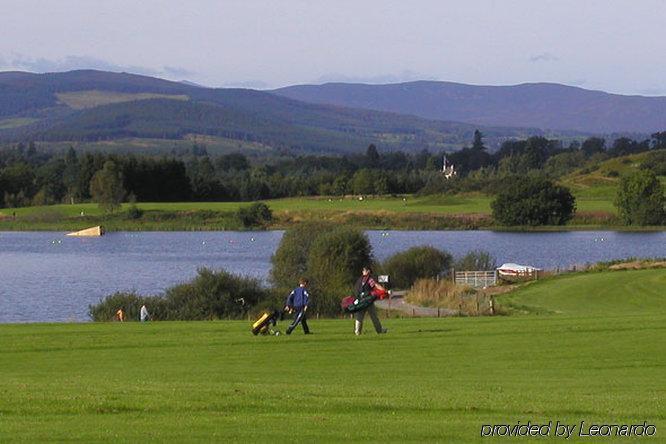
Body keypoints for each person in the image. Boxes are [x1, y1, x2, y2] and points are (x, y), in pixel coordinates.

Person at [353, 266, 387, 335]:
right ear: (368, 271)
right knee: (374, 317)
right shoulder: (369, 279)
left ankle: (357, 332)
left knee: (359, 317)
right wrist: (384, 290)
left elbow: (355, 290)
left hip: (360, 300)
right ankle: (379, 330)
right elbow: (375, 286)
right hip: (368, 301)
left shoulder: (359, 280)